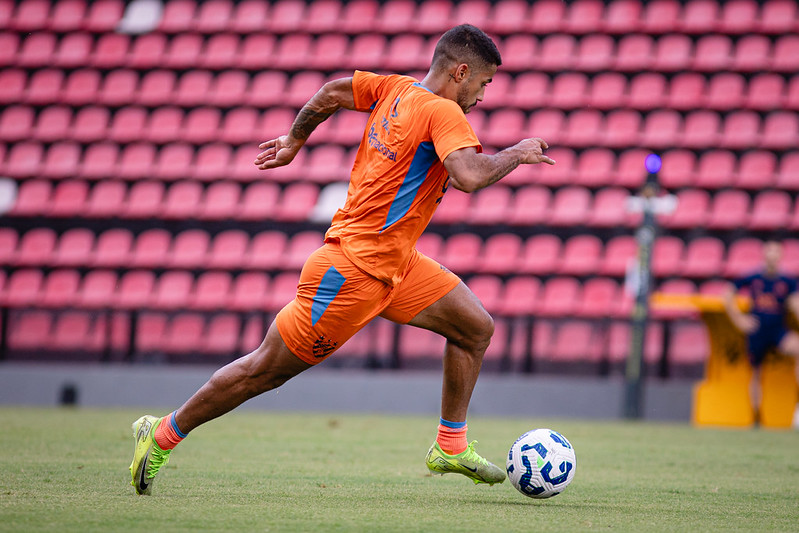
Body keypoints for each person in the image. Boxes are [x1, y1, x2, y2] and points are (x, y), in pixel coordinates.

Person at [129, 24, 555, 495]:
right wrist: (517, 152)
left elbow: (332, 92)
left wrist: (294, 140)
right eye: (484, 82)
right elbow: (470, 177)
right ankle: (163, 431)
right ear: (461, 72)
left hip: (396, 264)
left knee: (474, 327)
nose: (482, 93)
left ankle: (449, 446)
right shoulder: (444, 112)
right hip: (351, 272)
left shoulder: (394, 88)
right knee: (263, 372)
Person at [723, 240, 799, 424]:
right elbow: (727, 296)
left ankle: (797, 409)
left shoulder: (787, 281)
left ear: (780, 255)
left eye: (776, 252)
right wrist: (739, 320)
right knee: (756, 373)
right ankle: (757, 417)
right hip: (757, 331)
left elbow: (795, 303)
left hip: (778, 330)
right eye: (769, 251)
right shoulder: (752, 277)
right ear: (764, 254)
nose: (772, 256)